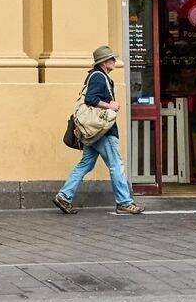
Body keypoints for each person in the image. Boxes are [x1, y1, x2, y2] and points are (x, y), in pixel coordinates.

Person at [53, 44, 141, 216]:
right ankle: (124, 202)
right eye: (111, 59)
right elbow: (91, 98)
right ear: (103, 62)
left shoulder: (97, 76)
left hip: (93, 132)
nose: (114, 61)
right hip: (103, 132)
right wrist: (110, 105)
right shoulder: (99, 77)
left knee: (85, 164)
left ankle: (64, 196)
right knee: (116, 165)